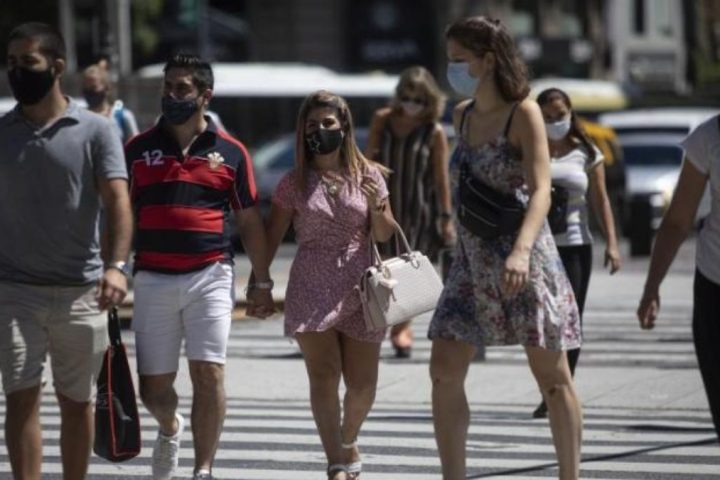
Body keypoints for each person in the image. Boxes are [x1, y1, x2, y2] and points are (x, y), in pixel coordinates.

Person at [428, 17, 583, 479]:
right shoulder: (462, 114)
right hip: (471, 262)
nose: (451, 70)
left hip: (525, 258)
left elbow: (541, 191)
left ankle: (570, 475)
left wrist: (519, 251)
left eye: (459, 61)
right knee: (443, 369)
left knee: (553, 380)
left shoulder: (525, 112)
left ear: (488, 60)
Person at [124, 53, 275, 480]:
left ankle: (202, 470)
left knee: (208, 372)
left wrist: (261, 281)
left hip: (210, 273)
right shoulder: (137, 149)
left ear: (205, 96)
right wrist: (112, 267)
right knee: (152, 389)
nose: (171, 95)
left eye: (182, 88)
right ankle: (170, 428)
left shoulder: (231, 152)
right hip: (152, 276)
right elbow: (119, 213)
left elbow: (248, 219)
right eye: (167, 87)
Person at [0, 23, 133, 480]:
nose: (17, 71)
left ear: (56, 67)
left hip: (82, 292)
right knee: (21, 398)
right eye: (12, 63)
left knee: (76, 403)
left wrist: (117, 268)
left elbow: (118, 201)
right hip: (14, 292)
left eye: (28, 63)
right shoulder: (2, 132)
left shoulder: (95, 130)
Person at [264, 90, 396, 480]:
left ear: (344, 127)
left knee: (362, 386)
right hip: (311, 282)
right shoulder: (293, 182)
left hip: (362, 283)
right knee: (323, 375)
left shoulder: (369, 174)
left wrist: (375, 206)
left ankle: (347, 438)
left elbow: (385, 233)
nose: (319, 131)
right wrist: (260, 280)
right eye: (312, 125)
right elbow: (273, 235)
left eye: (327, 123)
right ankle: (337, 461)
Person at [532, 87, 622, 418]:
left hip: (575, 245)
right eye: (547, 117)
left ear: (571, 114)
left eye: (560, 115)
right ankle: (549, 384)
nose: (555, 122)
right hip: (539, 246)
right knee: (541, 320)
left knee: (571, 319)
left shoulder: (586, 152)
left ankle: (559, 389)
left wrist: (612, 243)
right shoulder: (531, 149)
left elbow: (600, 200)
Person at [637, 114, 720, 441]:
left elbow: (677, 221)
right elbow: (677, 220)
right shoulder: (709, 137)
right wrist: (651, 286)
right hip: (715, 280)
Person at [364, 66, 455, 359]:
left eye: (418, 98)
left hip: (418, 209)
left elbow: (441, 178)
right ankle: (385, 321)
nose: (411, 103)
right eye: (406, 96)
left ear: (429, 99)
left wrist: (445, 217)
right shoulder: (383, 120)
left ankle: (402, 327)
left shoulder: (434, 131)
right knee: (381, 265)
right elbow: (367, 161)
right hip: (382, 206)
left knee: (406, 268)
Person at [81, 59, 139, 143]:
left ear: (107, 88)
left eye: (93, 87)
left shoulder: (123, 117)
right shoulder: (80, 119)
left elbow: (136, 148)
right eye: (86, 88)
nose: (89, 92)